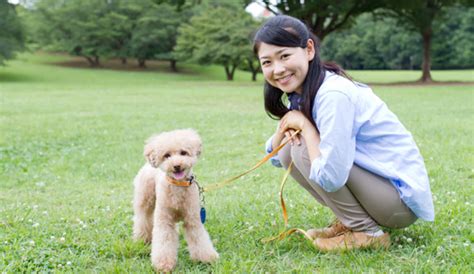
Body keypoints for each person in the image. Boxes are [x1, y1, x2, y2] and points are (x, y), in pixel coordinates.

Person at [253, 15, 434, 251]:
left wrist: (306, 128)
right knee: (291, 147)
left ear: (309, 49)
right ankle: (350, 223)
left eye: (285, 56)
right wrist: (284, 129)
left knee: (303, 149)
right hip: (379, 194)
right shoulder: (306, 91)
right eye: (267, 62)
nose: (277, 69)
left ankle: (367, 232)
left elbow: (332, 176)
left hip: (398, 203)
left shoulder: (333, 95)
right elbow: (278, 157)